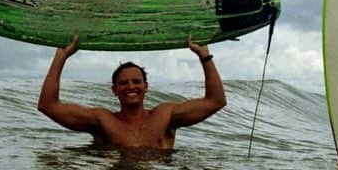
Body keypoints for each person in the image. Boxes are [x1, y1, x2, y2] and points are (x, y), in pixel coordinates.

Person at [37, 35, 226, 149]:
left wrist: (204, 56)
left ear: (146, 87)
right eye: (124, 83)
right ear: (115, 90)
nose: (131, 87)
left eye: (136, 81)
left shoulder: (165, 115)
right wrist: (61, 57)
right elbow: (48, 106)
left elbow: (216, 101)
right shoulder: (102, 120)